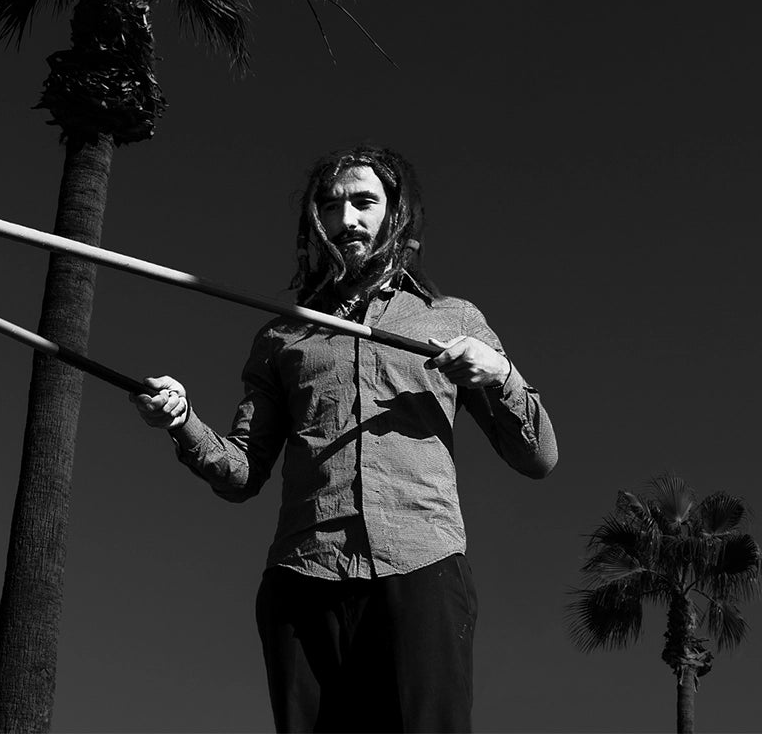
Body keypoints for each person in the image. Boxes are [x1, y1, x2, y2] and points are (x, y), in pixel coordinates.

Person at [132, 145, 557, 733]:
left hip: (422, 567)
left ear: (396, 214)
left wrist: (500, 373)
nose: (348, 219)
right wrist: (182, 421)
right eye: (331, 207)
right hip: (302, 577)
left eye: (364, 202)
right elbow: (241, 474)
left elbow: (538, 457)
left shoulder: (452, 319)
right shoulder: (282, 337)